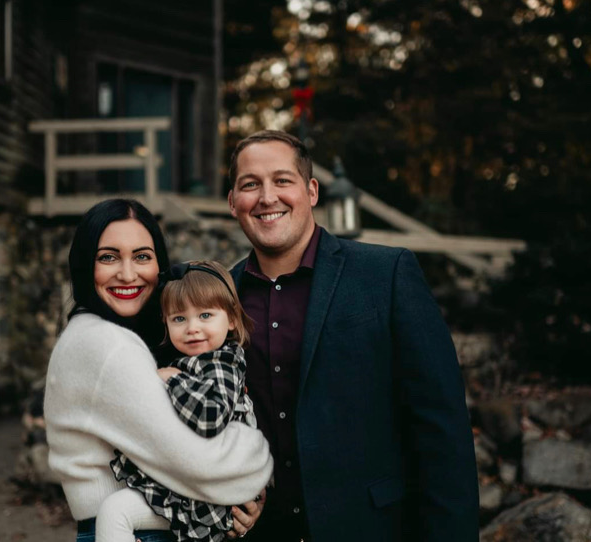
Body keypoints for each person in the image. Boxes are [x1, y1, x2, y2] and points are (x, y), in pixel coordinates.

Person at [226, 131, 479, 541]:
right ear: (233, 202)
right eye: (250, 184)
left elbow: (442, 432)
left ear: (311, 191)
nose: (267, 196)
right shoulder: (219, 297)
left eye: (282, 180)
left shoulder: (387, 274)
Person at [44, 199, 273, 542]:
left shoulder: (133, 341)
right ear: (84, 265)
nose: (127, 272)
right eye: (108, 257)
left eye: (142, 256)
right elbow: (188, 458)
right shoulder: (108, 344)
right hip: (135, 527)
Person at [96, 260, 265, 542]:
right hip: (196, 488)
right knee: (116, 511)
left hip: (208, 499)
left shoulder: (220, 364)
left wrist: (172, 381)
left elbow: (210, 417)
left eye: (206, 315)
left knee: (115, 511)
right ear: (166, 322)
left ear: (232, 319)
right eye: (179, 319)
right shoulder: (193, 363)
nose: (192, 328)